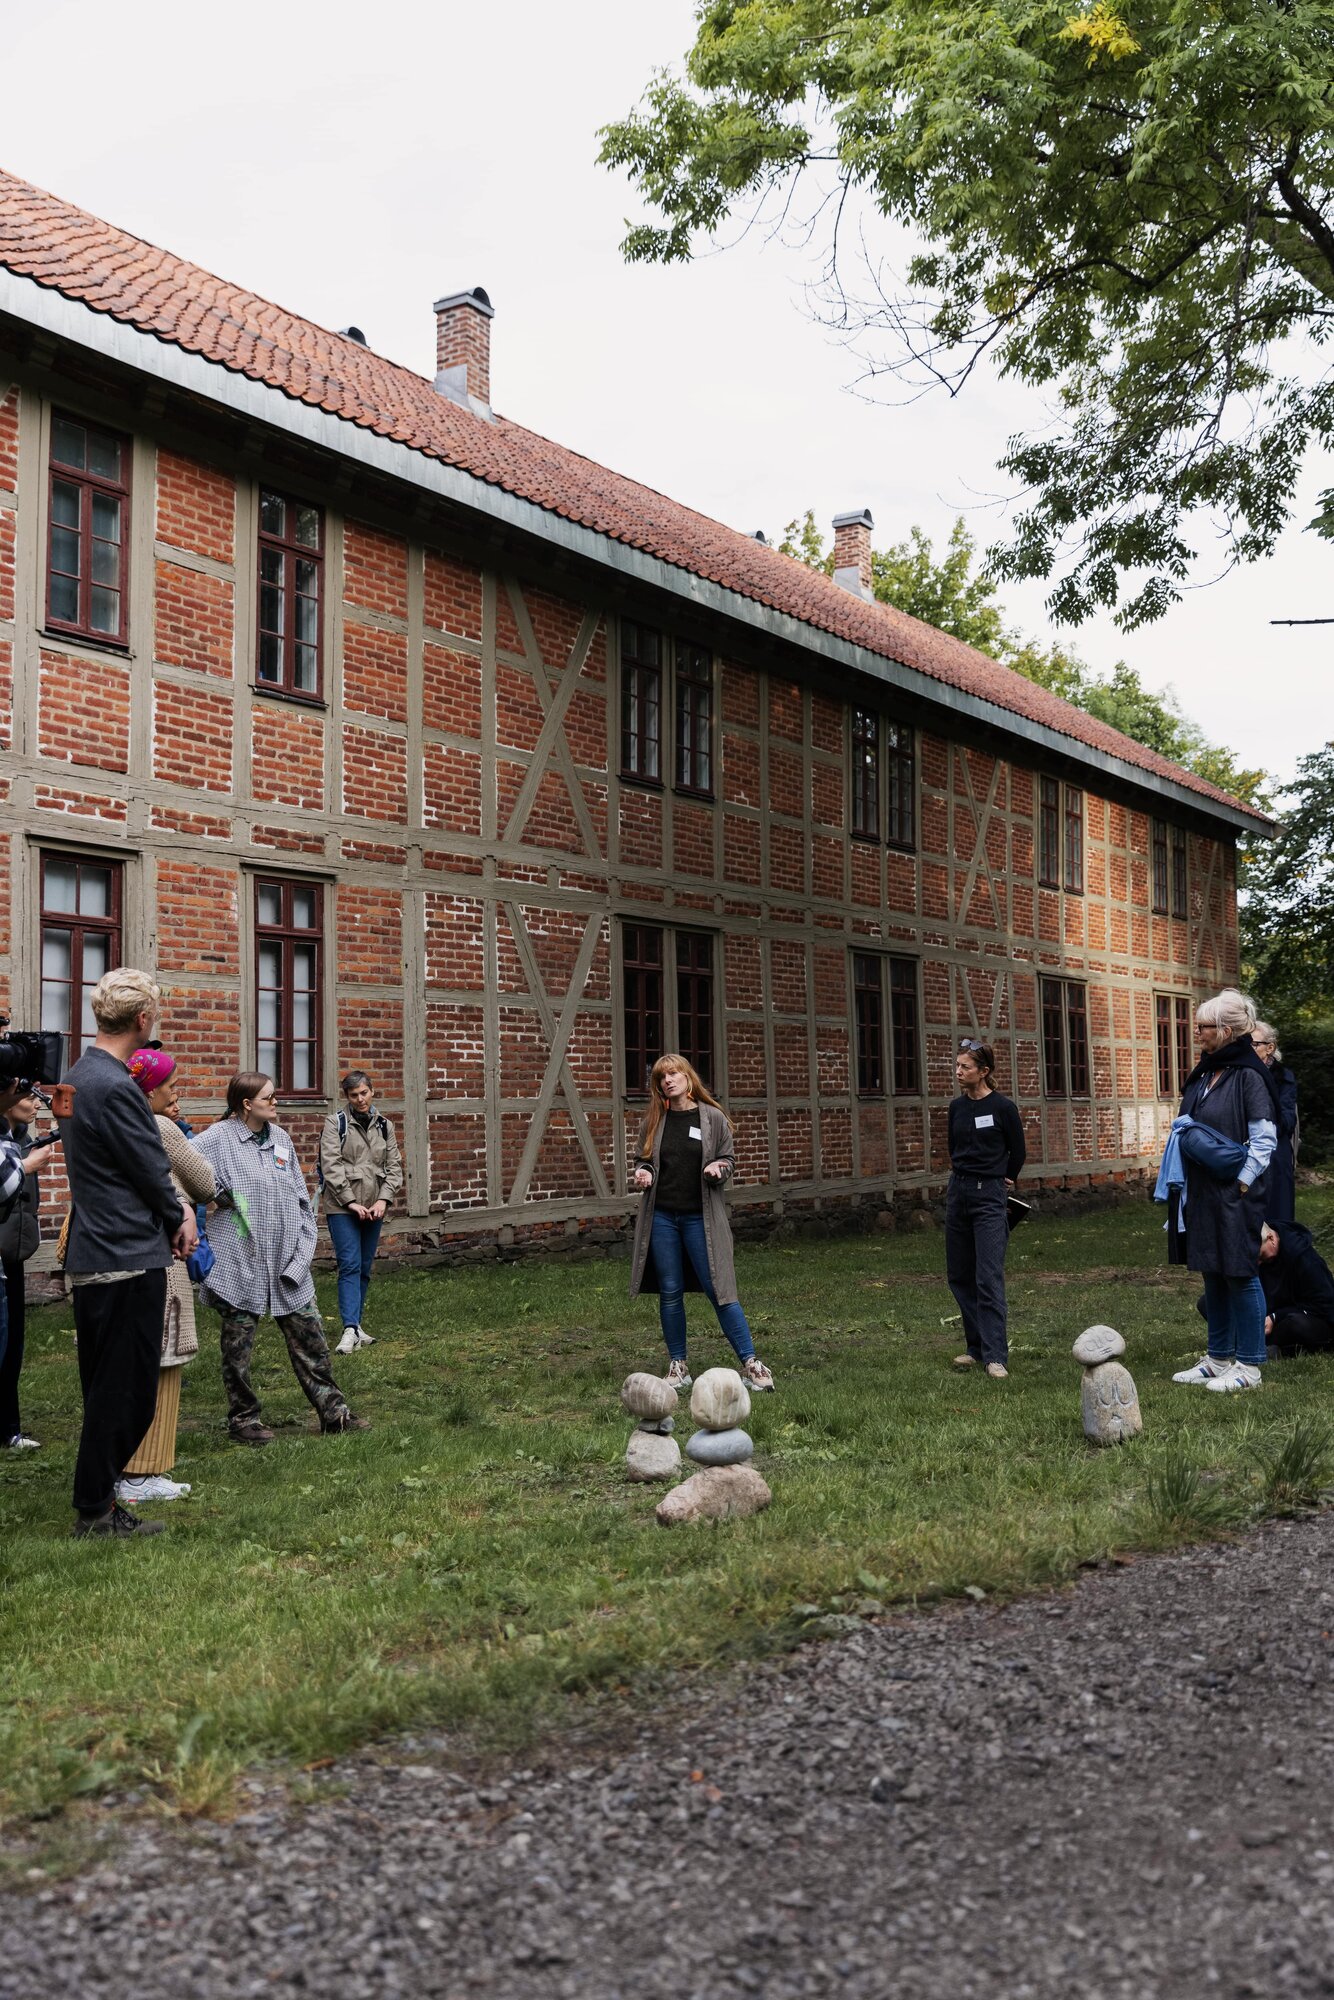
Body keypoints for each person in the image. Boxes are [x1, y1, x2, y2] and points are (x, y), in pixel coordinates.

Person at [60, 968, 198, 1538]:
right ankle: (95, 1510)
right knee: (128, 1394)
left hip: (95, 1252)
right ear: (143, 1019)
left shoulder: (76, 1076)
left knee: (106, 1390)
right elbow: (149, 1166)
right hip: (125, 1256)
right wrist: (178, 1218)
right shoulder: (116, 1086)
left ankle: (97, 1502)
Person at [194, 1072, 367, 1444]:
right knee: (237, 1349)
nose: (276, 1103)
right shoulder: (216, 1140)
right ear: (246, 1104)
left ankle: (334, 1414)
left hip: (287, 1258)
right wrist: (217, 1195)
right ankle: (243, 1420)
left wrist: (303, 1247)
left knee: (312, 1339)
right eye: (269, 1098)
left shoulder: (280, 1138)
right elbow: (178, 1166)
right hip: (241, 1257)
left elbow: (300, 1198)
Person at [628, 1053, 774, 1392]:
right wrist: (643, 1172)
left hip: (701, 1218)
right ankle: (678, 1365)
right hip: (663, 1217)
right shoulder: (654, 1120)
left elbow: (728, 1159)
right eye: (662, 1077)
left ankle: (751, 1362)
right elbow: (644, 1159)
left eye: (675, 1073)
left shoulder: (713, 1118)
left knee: (719, 1289)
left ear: (688, 1077)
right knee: (670, 1291)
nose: (669, 1080)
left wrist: (718, 1168)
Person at [115, 1047, 218, 1504]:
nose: (176, 1095)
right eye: (171, 1088)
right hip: (163, 1252)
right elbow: (204, 1180)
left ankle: (122, 1466)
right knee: (164, 1361)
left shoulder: (114, 1118)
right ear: (151, 1089)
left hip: (117, 1252)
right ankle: (143, 1473)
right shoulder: (158, 1125)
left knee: (125, 1365)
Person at [1169, 989, 1278, 1393]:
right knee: (1212, 1271)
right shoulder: (1205, 1073)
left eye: (1203, 1027)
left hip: (1237, 1191)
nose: (1196, 1033)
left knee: (1240, 1272)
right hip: (1202, 1189)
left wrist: (1243, 1182)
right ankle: (1217, 1359)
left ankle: (1249, 1365)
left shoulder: (1248, 1075)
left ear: (1227, 1030)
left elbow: (1265, 1138)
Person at [946, 1039, 1026, 1380]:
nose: (959, 1071)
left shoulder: (1003, 1108)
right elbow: (953, 1146)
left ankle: (996, 1356)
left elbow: (1017, 1150)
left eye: (966, 1066)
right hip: (958, 1192)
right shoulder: (956, 1107)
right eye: (958, 1065)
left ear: (984, 1072)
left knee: (988, 1276)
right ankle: (975, 1348)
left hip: (990, 1195)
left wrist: (1006, 1178)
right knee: (960, 1274)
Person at [319, 1069, 403, 1355]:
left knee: (365, 1267)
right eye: (354, 1095)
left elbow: (394, 1168)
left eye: (364, 1093)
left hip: (374, 1207)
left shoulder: (384, 1126)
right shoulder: (335, 1124)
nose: (360, 1099)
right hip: (343, 1208)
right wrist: (350, 1202)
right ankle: (348, 1328)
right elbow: (331, 1167)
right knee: (349, 1264)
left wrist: (383, 1200)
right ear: (347, 1097)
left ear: (372, 1091)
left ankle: (356, 1325)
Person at [0, 1083, 58, 1451]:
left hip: (15, 1253)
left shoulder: (24, 1137)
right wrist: (25, 1165)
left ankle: (9, 1427)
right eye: (27, 1098)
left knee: (14, 1344)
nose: (36, 1103)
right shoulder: (10, 1146)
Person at [1258, 1219, 1334, 1357]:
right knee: (1209, 1303)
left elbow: (1322, 1305)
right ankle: (1263, 1344)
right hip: (1265, 1317)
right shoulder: (1256, 1260)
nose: (1257, 1262)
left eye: (1261, 1255)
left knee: (1297, 1324)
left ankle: (1272, 1347)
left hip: (1303, 1318)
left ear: (1271, 1239)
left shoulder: (1305, 1259)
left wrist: (1275, 1317)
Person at [1252, 1021, 1299, 1224]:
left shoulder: (1283, 1077)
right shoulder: (1240, 1073)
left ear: (1270, 1048)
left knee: (1277, 1220)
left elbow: (1288, 1119)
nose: (1248, 1049)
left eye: (1254, 1044)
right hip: (1245, 1154)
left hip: (1274, 1154)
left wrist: (1261, 1127)